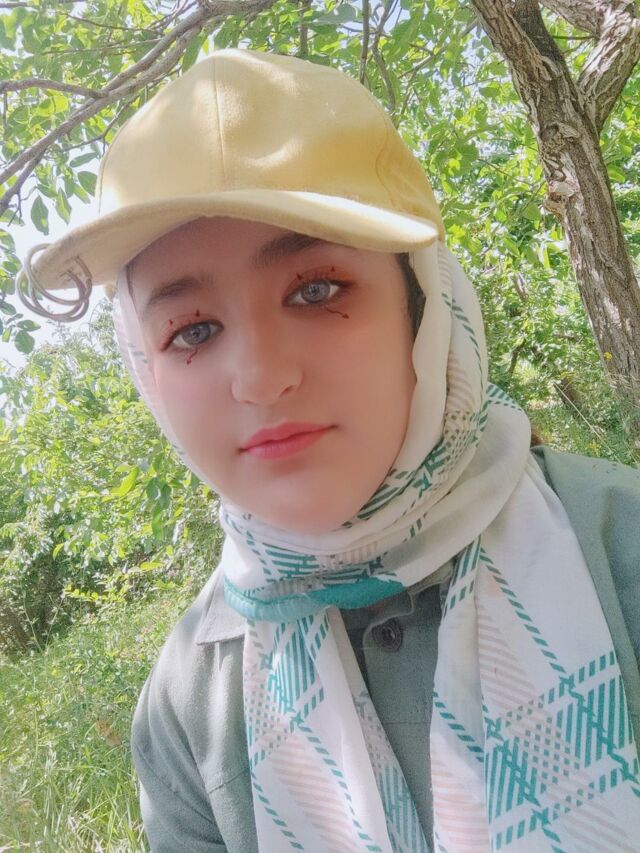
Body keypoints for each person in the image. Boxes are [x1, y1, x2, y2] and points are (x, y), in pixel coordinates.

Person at [16, 49, 640, 852]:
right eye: (192, 330)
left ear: (423, 303)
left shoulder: (618, 549)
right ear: (148, 372)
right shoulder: (186, 711)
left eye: (316, 289)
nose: (261, 378)